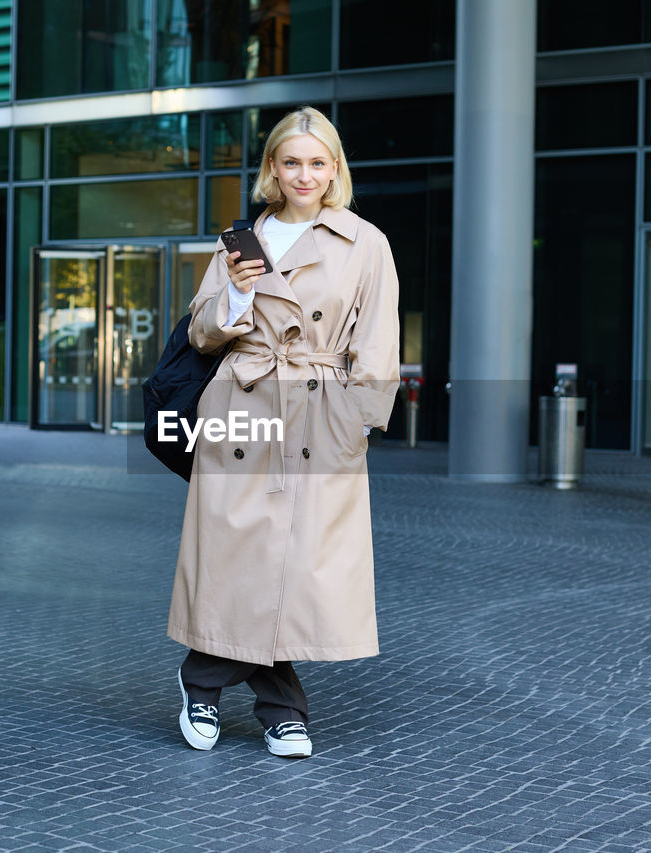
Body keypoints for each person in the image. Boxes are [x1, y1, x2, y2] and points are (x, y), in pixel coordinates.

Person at [168, 106, 400, 759]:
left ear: (335, 170)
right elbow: (199, 332)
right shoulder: (242, 240)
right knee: (237, 559)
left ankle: (205, 679)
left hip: (318, 412)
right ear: (273, 167)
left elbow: (379, 346)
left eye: (317, 162)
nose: (305, 174)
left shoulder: (365, 243)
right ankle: (280, 708)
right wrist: (236, 297)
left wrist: (357, 423)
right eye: (291, 161)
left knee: (297, 565)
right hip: (241, 404)